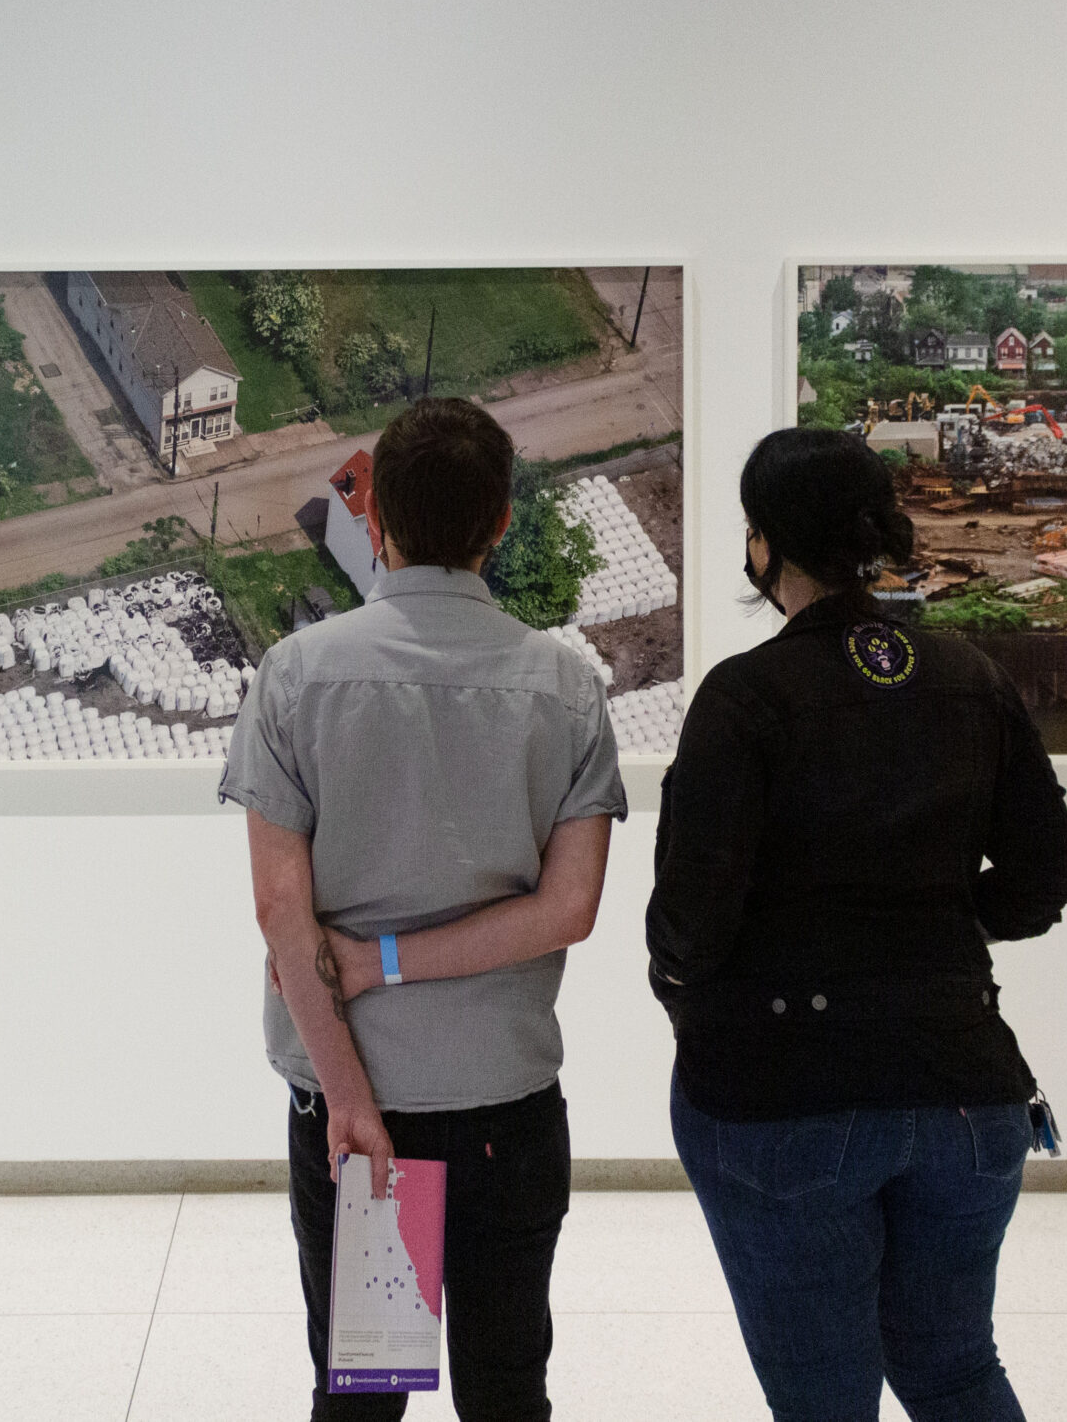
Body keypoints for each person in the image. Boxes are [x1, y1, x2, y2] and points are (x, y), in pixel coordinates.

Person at [648, 426, 1067, 1422]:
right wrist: (934, 927)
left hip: (784, 1093)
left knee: (823, 1397)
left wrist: (688, 996)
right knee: (955, 1368)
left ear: (761, 545)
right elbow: (1046, 875)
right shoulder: (971, 676)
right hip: (968, 1089)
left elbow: (687, 924)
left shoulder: (745, 700)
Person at [219, 395, 627, 1422]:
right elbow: (568, 908)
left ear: (373, 520)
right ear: (499, 522)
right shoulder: (567, 688)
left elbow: (281, 907)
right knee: (503, 1392)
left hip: (361, 1116)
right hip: (504, 1105)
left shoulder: (298, 676)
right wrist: (389, 959)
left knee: (362, 1396)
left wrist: (349, 1091)